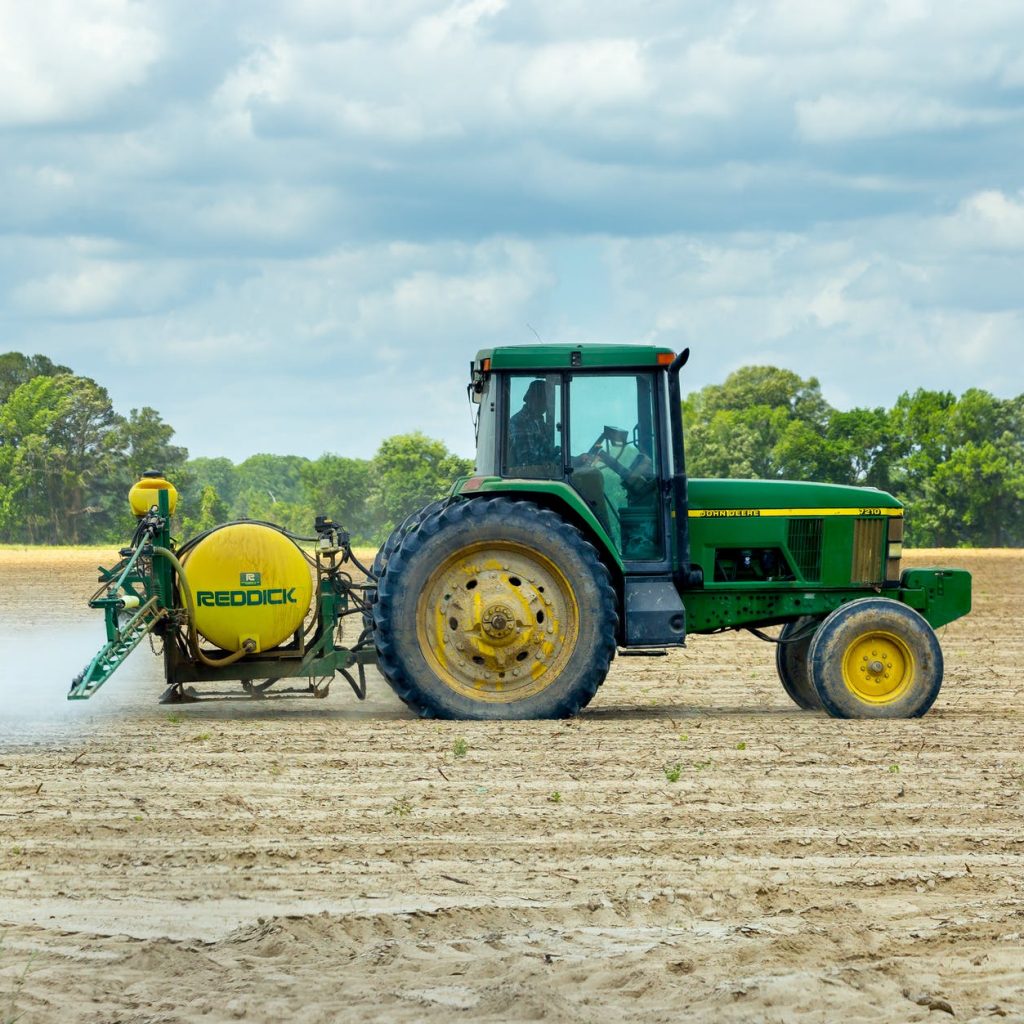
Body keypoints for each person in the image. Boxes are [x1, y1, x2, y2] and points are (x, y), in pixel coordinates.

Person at [508, 379, 554, 470]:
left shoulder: (540, 423)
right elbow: (527, 462)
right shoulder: (519, 421)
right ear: (530, 399)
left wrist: (575, 460)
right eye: (544, 399)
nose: (547, 404)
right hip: (528, 477)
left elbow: (547, 454)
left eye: (548, 400)